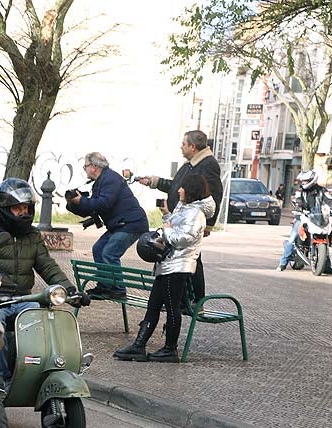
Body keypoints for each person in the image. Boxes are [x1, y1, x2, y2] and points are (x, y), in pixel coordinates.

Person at [0, 178, 84, 388]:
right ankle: (2, 379)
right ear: (3, 208)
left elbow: (47, 265)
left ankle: (39, 373)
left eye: (26, 208)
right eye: (17, 208)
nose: (23, 213)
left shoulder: (32, 235)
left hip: (26, 298)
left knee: (44, 322)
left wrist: (69, 290)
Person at [114, 174, 212, 363]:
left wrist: (166, 230)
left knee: (172, 307)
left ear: (191, 190)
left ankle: (170, 349)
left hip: (178, 266)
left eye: (182, 187)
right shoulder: (185, 208)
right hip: (167, 263)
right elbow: (176, 229)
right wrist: (167, 214)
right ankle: (138, 346)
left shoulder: (196, 213)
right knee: (153, 306)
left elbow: (184, 238)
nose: (179, 190)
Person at [137, 130, 223, 303]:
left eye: (183, 144)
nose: (181, 147)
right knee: (183, 258)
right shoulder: (190, 164)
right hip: (179, 217)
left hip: (191, 219)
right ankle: (182, 298)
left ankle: (196, 300)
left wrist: (209, 225)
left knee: (192, 259)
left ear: (193, 146)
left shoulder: (208, 164)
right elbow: (176, 186)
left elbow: (215, 194)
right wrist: (154, 182)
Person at [66, 151, 148, 298]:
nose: (84, 169)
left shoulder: (110, 179)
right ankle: (104, 286)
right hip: (119, 224)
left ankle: (118, 289)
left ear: (94, 166)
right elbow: (92, 208)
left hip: (131, 223)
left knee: (109, 253)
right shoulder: (100, 181)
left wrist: (81, 201)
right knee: (98, 249)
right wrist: (73, 203)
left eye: (85, 166)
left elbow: (104, 203)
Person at [276, 169, 332, 273]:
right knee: (292, 239)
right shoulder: (300, 191)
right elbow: (298, 200)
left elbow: (329, 200)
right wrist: (298, 206)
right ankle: (282, 263)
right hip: (303, 216)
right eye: (303, 181)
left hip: (318, 217)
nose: (303, 182)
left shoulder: (322, 190)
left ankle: (327, 267)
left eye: (305, 180)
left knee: (326, 238)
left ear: (312, 180)